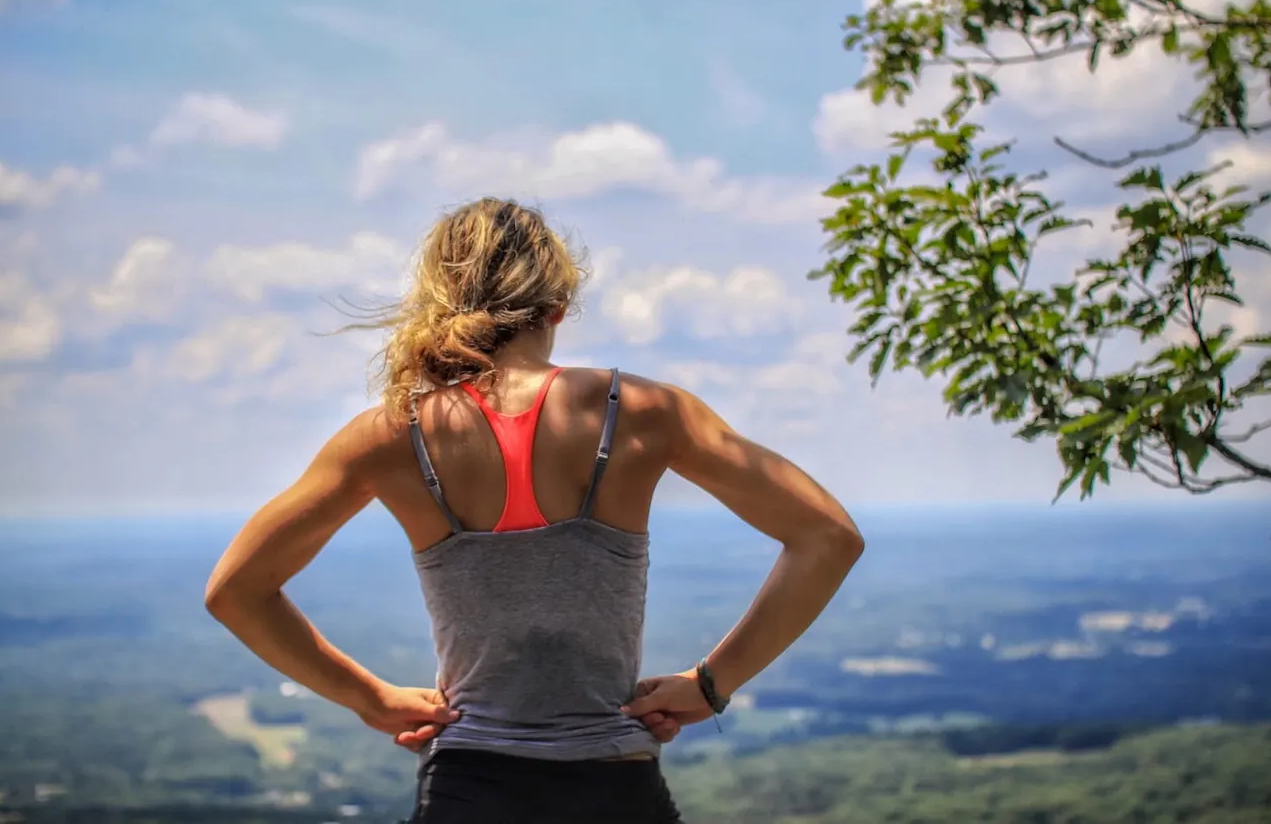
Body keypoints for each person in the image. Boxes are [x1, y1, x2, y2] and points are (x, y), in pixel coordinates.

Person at [204, 197, 866, 824]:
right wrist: (711, 684)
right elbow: (827, 537)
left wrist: (369, 699)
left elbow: (237, 590)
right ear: (558, 304)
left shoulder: (389, 436)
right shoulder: (640, 414)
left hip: (467, 787)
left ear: (443, 303)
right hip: (616, 788)